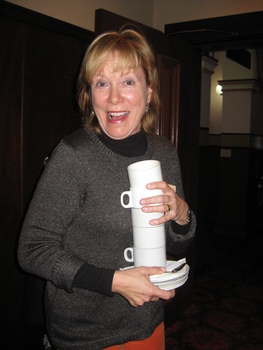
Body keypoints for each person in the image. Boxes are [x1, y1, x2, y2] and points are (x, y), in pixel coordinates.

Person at [18, 28, 196, 350]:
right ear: (90, 94)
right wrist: (116, 282)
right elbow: (32, 250)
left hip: (149, 323)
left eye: (128, 82)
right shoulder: (73, 156)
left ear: (149, 91)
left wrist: (182, 214)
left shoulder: (164, 152)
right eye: (102, 83)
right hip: (85, 336)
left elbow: (177, 244)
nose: (114, 98)